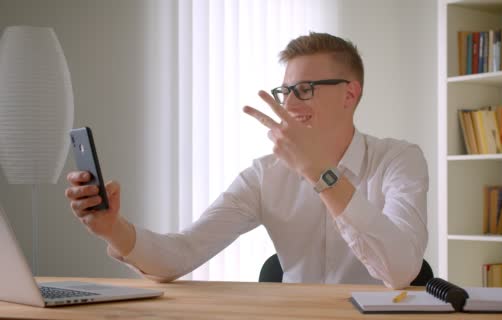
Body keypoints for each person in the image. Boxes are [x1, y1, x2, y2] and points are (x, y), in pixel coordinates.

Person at [65, 32, 428, 289]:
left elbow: (399, 272)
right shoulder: (264, 175)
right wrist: (112, 228)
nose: (289, 105)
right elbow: (181, 253)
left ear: (350, 94)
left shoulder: (399, 160)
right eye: (285, 92)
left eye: (304, 90)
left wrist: (320, 174)